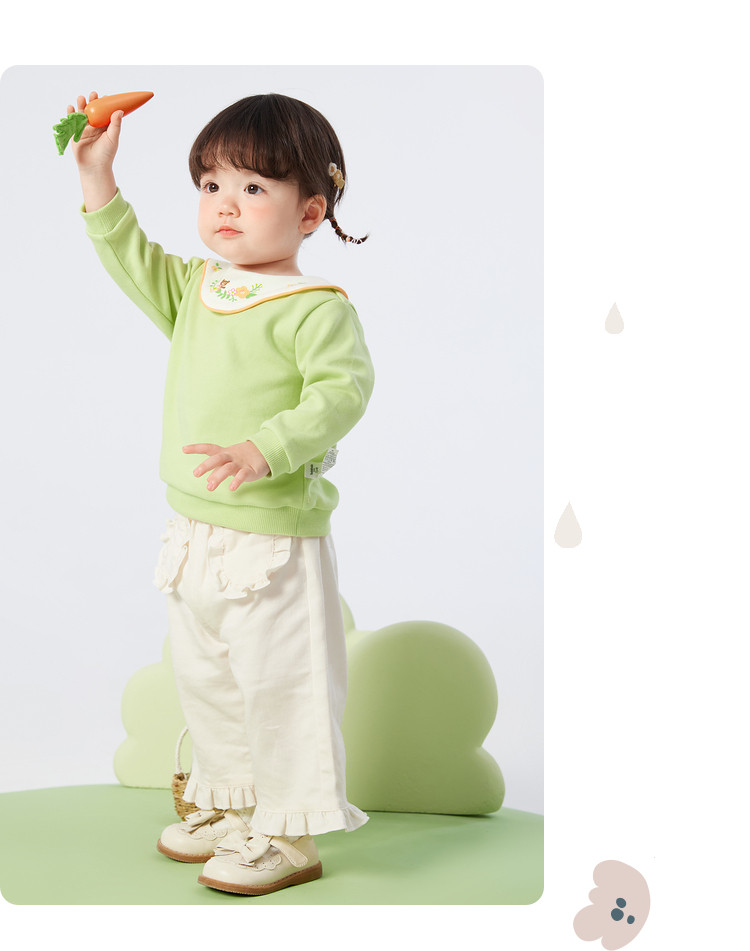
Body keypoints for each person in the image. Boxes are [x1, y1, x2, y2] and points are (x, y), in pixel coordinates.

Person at [69, 90, 374, 896]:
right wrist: (98, 177)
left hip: (273, 539)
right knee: (208, 681)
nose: (225, 204)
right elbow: (128, 254)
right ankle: (235, 809)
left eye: (253, 187)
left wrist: (265, 447)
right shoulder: (199, 288)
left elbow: (341, 393)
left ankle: (290, 832)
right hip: (193, 532)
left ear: (310, 211)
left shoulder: (316, 308)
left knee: (280, 685)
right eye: (210, 185)